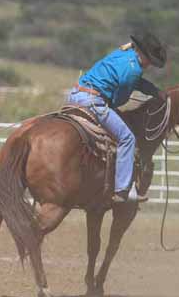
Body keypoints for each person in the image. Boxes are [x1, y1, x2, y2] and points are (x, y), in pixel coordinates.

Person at [67, 32, 167, 204]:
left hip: (76, 94)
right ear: (143, 55)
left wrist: (154, 90)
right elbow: (119, 99)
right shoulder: (134, 69)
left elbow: (135, 82)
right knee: (127, 138)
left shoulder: (123, 52)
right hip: (93, 101)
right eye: (150, 60)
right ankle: (122, 190)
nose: (149, 65)